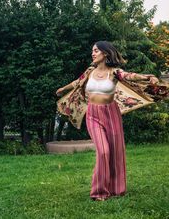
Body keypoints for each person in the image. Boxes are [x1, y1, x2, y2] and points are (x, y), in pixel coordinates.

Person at [56, 41, 159, 201]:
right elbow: (78, 82)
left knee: (115, 151)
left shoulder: (115, 72)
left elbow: (129, 76)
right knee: (103, 151)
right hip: (92, 114)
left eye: (96, 51)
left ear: (105, 53)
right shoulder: (90, 71)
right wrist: (64, 89)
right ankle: (99, 192)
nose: (93, 53)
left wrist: (147, 77)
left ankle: (116, 189)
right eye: (92, 51)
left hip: (111, 113)